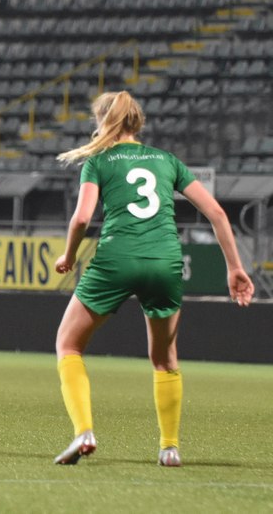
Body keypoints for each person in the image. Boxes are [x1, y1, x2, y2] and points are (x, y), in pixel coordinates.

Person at [51, 91, 254, 466]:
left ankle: (84, 431)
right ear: (137, 122)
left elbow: (81, 218)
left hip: (116, 259)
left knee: (69, 346)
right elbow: (218, 214)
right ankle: (170, 447)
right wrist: (234, 268)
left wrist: (68, 254)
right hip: (164, 260)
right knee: (164, 359)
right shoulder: (167, 161)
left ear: (103, 123)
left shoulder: (98, 161)